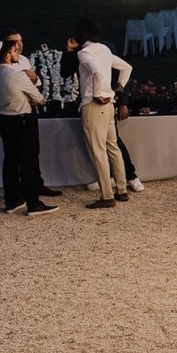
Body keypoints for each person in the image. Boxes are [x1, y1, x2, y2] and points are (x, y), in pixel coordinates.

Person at [0, 37, 57, 215]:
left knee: (10, 160)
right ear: (8, 53)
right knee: (28, 161)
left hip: (4, 120)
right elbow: (40, 99)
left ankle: (12, 200)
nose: (18, 53)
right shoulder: (16, 75)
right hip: (23, 120)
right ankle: (33, 202)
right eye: (15, 51)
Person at [68, 18, 131, 209]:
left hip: (93, 106)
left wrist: (97, 94)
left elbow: (96, 73)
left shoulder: (84, 53)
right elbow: (126, 67)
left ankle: (107, 195)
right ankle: (122, 189)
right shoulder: (104, 49)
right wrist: (118, 89)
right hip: (109, 105)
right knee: (113, 147)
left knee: (98, 151)